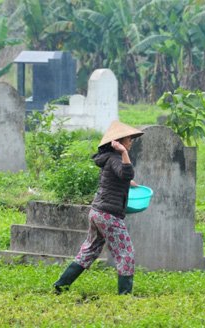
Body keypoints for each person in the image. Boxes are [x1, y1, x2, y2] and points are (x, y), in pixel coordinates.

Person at [53, 120, 143, 295]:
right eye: (129, 139)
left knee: (89, 250)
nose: (131, 142)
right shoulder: (116, 157)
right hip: (109, 215)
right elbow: (126, 172)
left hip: (97, 213)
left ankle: (60, 285)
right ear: (118, 141)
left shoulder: (108, 159)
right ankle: (124, 295)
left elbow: (117, 177)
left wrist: (128, 183)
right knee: (126, 252)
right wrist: (123, 152)